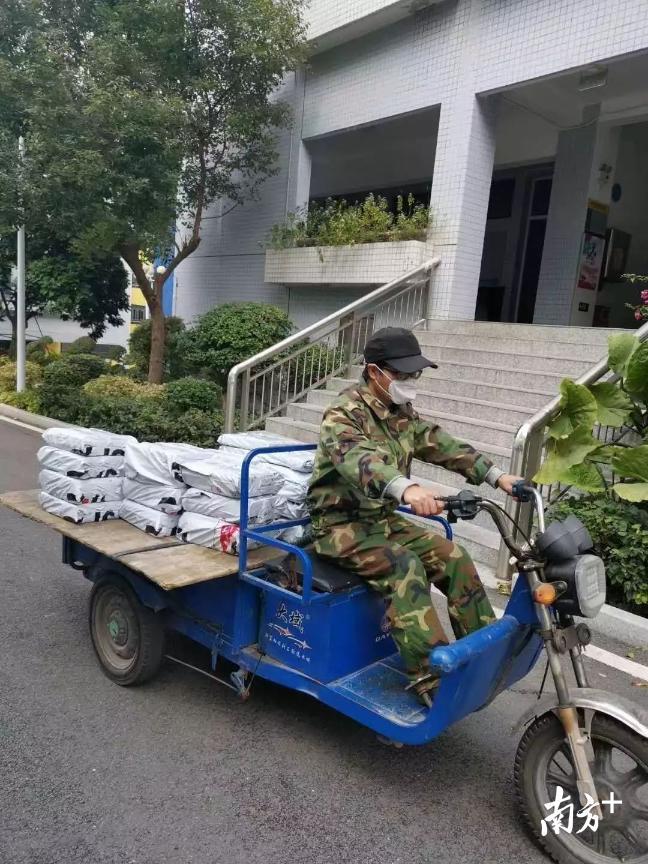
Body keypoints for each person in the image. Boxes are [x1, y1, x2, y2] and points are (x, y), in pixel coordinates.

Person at [307, 326, 523, 705]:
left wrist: (496, 475)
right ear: (375, 372)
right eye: (404, 374)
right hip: (339, 526)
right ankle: (432, 679)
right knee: (403, 566)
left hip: (382, 521)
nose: (411, 382)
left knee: (452, 556)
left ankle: (484, 655)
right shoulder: (343, 413)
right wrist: (405, 488)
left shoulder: (398, 412)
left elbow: (439, 442)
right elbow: (359, 460)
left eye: (415, 374)